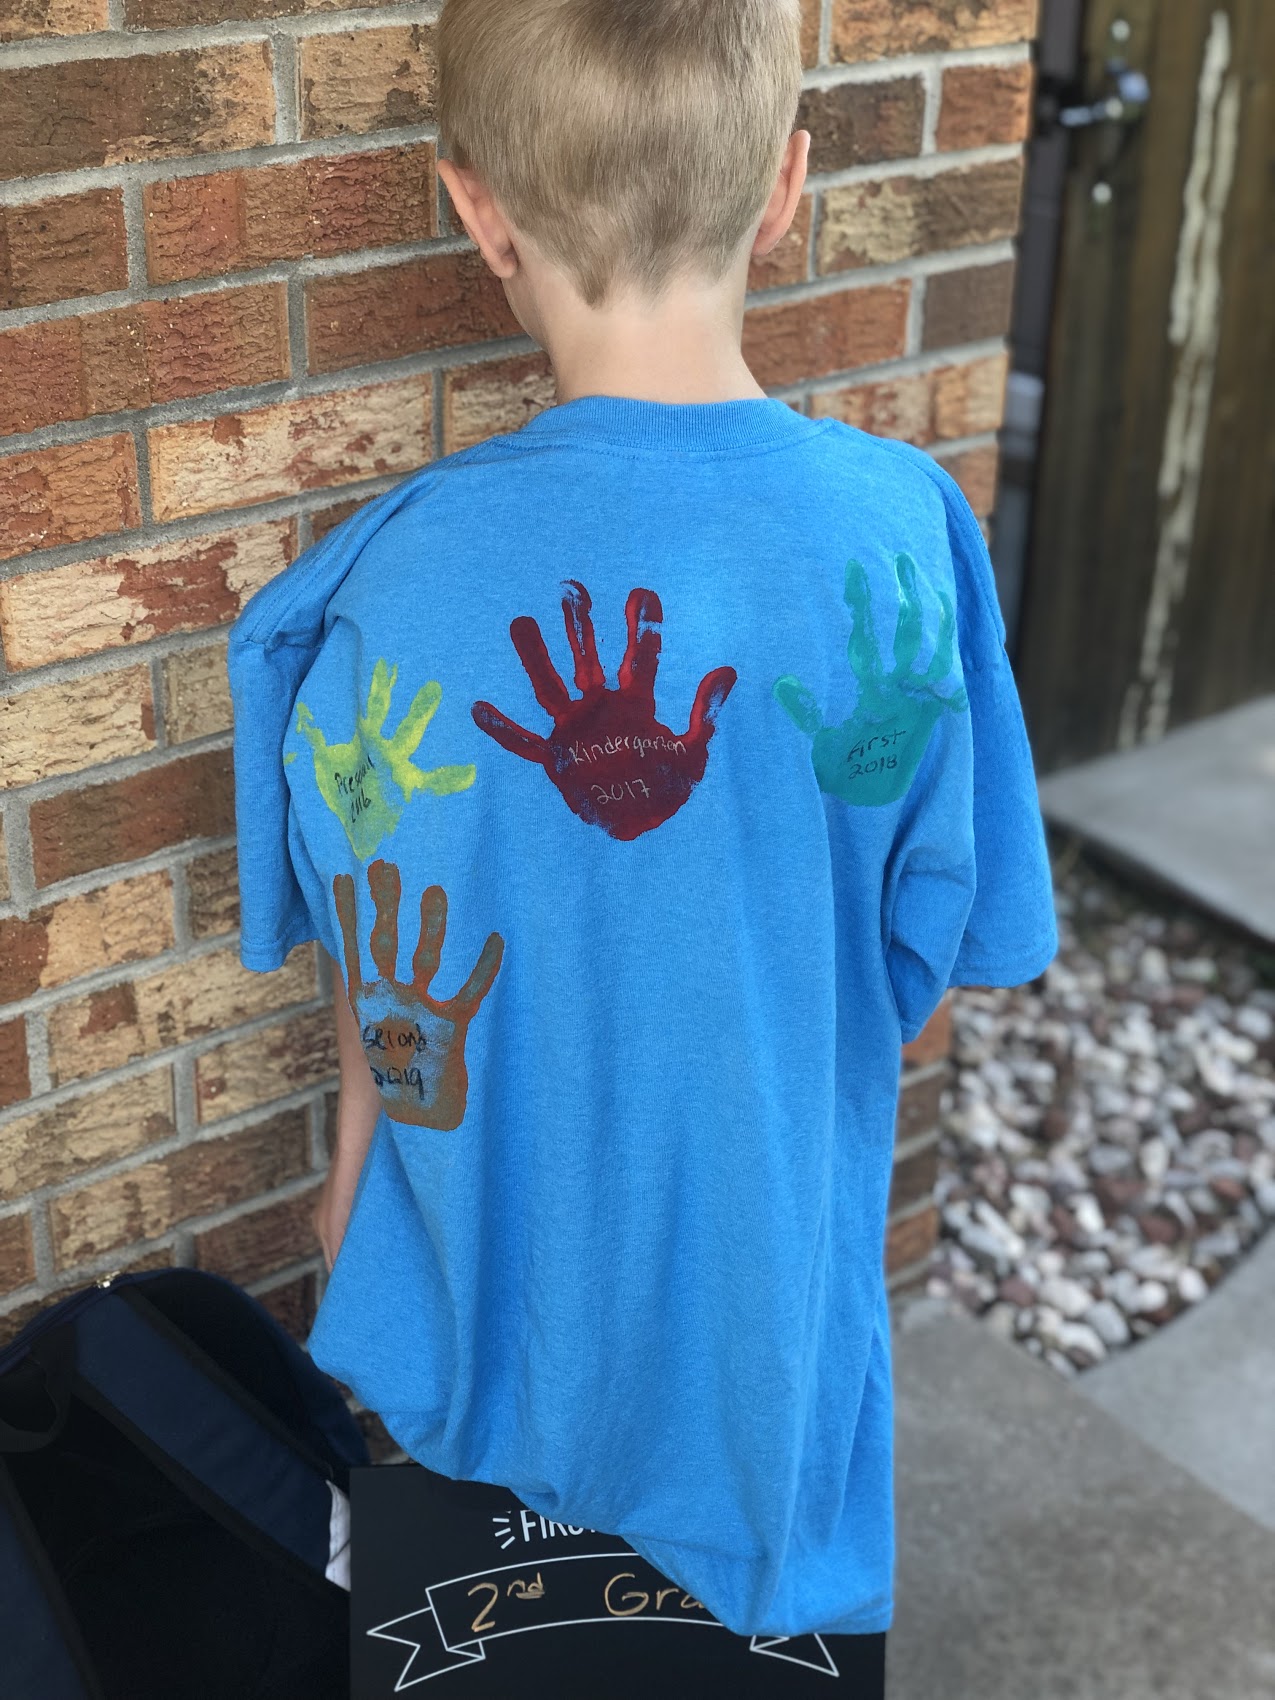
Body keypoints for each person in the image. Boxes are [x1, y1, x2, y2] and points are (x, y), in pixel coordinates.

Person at [226, 0, 1057, 1666]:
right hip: (764, 1362)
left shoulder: (365, 594)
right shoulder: (908, 544)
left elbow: (386, 974)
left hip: (476, 1332)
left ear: (479, 212)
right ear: (786, 192)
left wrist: (342, 1196)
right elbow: (946, 955)